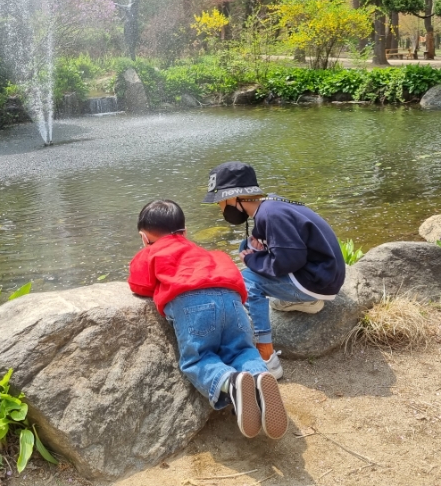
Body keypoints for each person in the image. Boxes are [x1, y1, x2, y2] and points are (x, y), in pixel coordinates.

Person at [128, 199, 288, 439]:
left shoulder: (151, 252)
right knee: (243, 350)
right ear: (185, 232)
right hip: (233, 300)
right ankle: (258, 374)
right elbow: (236, 280)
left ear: (144, 237)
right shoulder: (205, 253)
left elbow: (139, 285)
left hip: (193, 305)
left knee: (199, 359)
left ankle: (230, 382)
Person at [202, 162, 345, 380]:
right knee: (245, 247)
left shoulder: (270, 214)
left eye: (221, 201)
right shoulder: (271, 205)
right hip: (322, 273)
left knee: (247, 281)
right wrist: (258, 250)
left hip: (317, 281)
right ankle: (304, 301)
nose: (222, 208)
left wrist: (254, 261)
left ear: (235, 198)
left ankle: (266, 355)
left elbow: (288, 261)